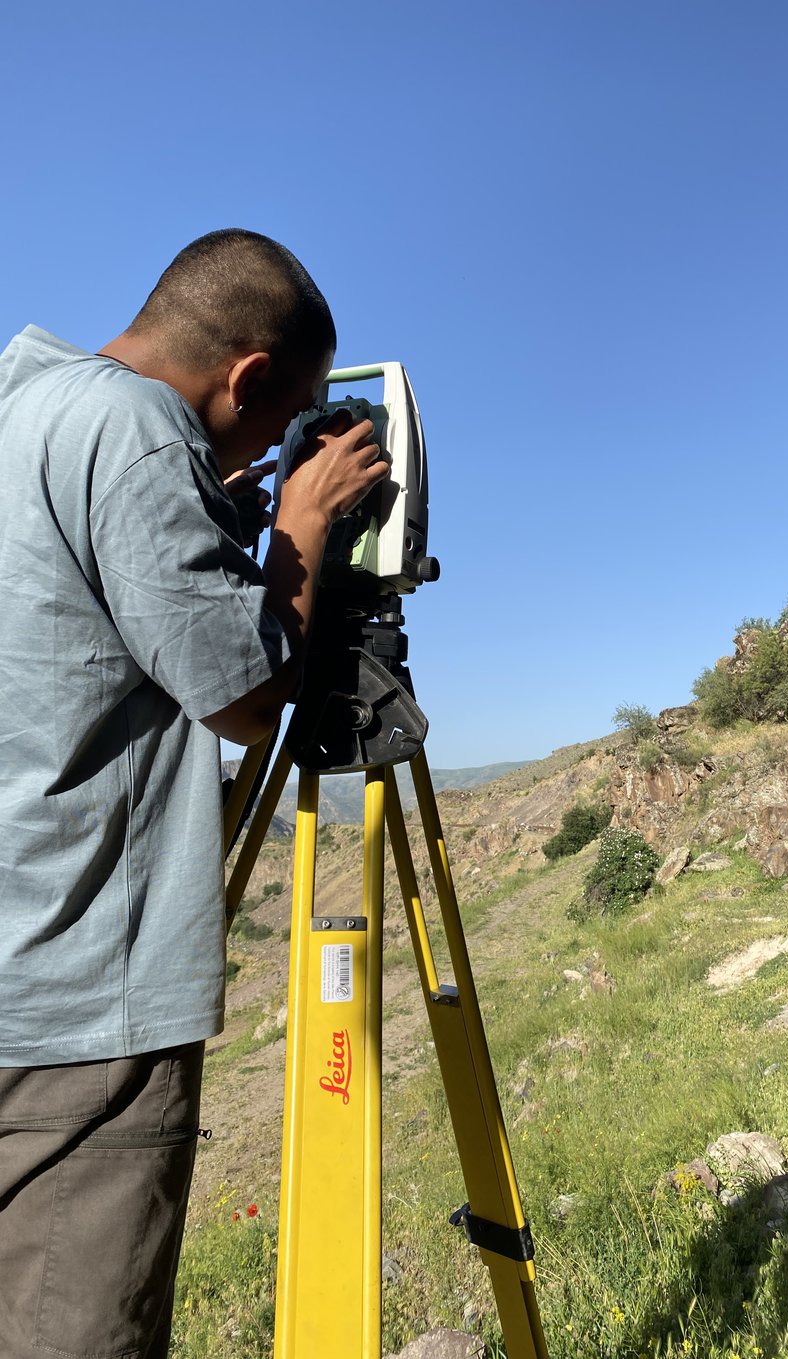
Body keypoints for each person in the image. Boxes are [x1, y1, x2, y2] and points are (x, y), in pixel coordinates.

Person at [0, 229, 391, 1358]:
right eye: (292, 419)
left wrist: (211, 503)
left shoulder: (32, 405)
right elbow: (248, 694)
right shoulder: (132, 436)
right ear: (250, 377)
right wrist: (302, 528)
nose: (287, 447)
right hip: (78, 1003)